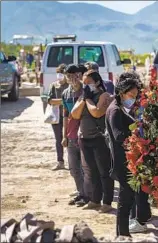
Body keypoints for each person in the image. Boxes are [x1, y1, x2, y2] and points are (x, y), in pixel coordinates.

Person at [105, 71, 152, 236]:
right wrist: (136, 135)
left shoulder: (122, 109)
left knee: (128, 200)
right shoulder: (115, 111)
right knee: (125, 202)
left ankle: (123, 233)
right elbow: (119, 136)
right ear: (121, 92)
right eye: (130, 94)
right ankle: (122, 234)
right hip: (122, 163)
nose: (132, 97)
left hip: (127, 162)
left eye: (135, 94)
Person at [71, 70, 115, 213]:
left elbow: (96, 112)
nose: (85, 85)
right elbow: (74, 114)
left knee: (104, 172)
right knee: (91, 172)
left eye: (88, 82)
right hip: (85, 139)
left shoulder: (104, 95)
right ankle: (95, 200)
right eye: (84, 83)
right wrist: (84, 99)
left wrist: (88, 100)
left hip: (99, 138)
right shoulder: (84, 97)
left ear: (96, 82)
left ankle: (107, 202)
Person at [61, 64, 89, 207]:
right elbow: (65, 116)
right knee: (74, 169)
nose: (72, 79)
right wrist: (64, 136)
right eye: (68, 76)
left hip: (85, 134)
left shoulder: (87, 91)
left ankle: (88, 196)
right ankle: (81, 193)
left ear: (80, 75)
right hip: (71, 135)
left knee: (86, 168)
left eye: (75, 75)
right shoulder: (65, 93)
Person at [48, 64, 69, 170]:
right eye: (58, 73)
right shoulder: (53, 85)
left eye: (62, 73)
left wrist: (60, 102)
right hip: (57, 116)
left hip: (69, 116)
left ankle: (73, 161)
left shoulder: (70, 86)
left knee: (70, 138)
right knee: (58, 139)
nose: (60, 76)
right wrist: (64, 101)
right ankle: (60, 161)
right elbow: (50, 100)